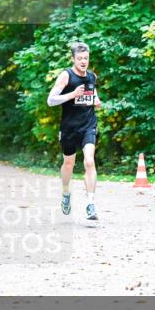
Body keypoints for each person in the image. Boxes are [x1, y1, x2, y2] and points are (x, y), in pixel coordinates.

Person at [46, 41, 102, 220]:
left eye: (86, 58)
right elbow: (50, 100)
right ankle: (65, 193)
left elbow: (93, 94)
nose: (83, 62)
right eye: (79, 59)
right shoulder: (66, 76)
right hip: (69, 128)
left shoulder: (92, 76)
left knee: (89, 161)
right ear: (73, 59)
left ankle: (91, 204)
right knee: (69, 164)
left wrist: (96, 100)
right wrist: (71, 95)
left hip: (88, 125)